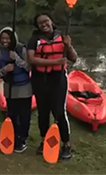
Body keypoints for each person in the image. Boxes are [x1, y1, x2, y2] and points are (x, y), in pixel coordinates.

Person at [26, 12, 78, 160]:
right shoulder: (34, 39)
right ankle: (44, 141)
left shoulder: (62, 37)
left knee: (59, 112)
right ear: (37, 26)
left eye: (46, 21)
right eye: (40, 23)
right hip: (40, 80)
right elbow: (31, 59)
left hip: (58, 79)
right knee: (43, 112)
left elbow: (73, 58)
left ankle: (66, 144)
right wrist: (55, 63)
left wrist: (69, 46)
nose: (44, 24)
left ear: (51, 21)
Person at [0, 27, 32, 153]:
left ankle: (23, 137)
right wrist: (5, 69)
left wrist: (16, 58)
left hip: (24, 88)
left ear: (13, 38)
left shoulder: (22, 49)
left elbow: (28, 67)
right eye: (3, 38)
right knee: (12, 114)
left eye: (8, 38)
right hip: (10, 88)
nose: (5, 41)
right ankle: (13, 135)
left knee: (24, 114)